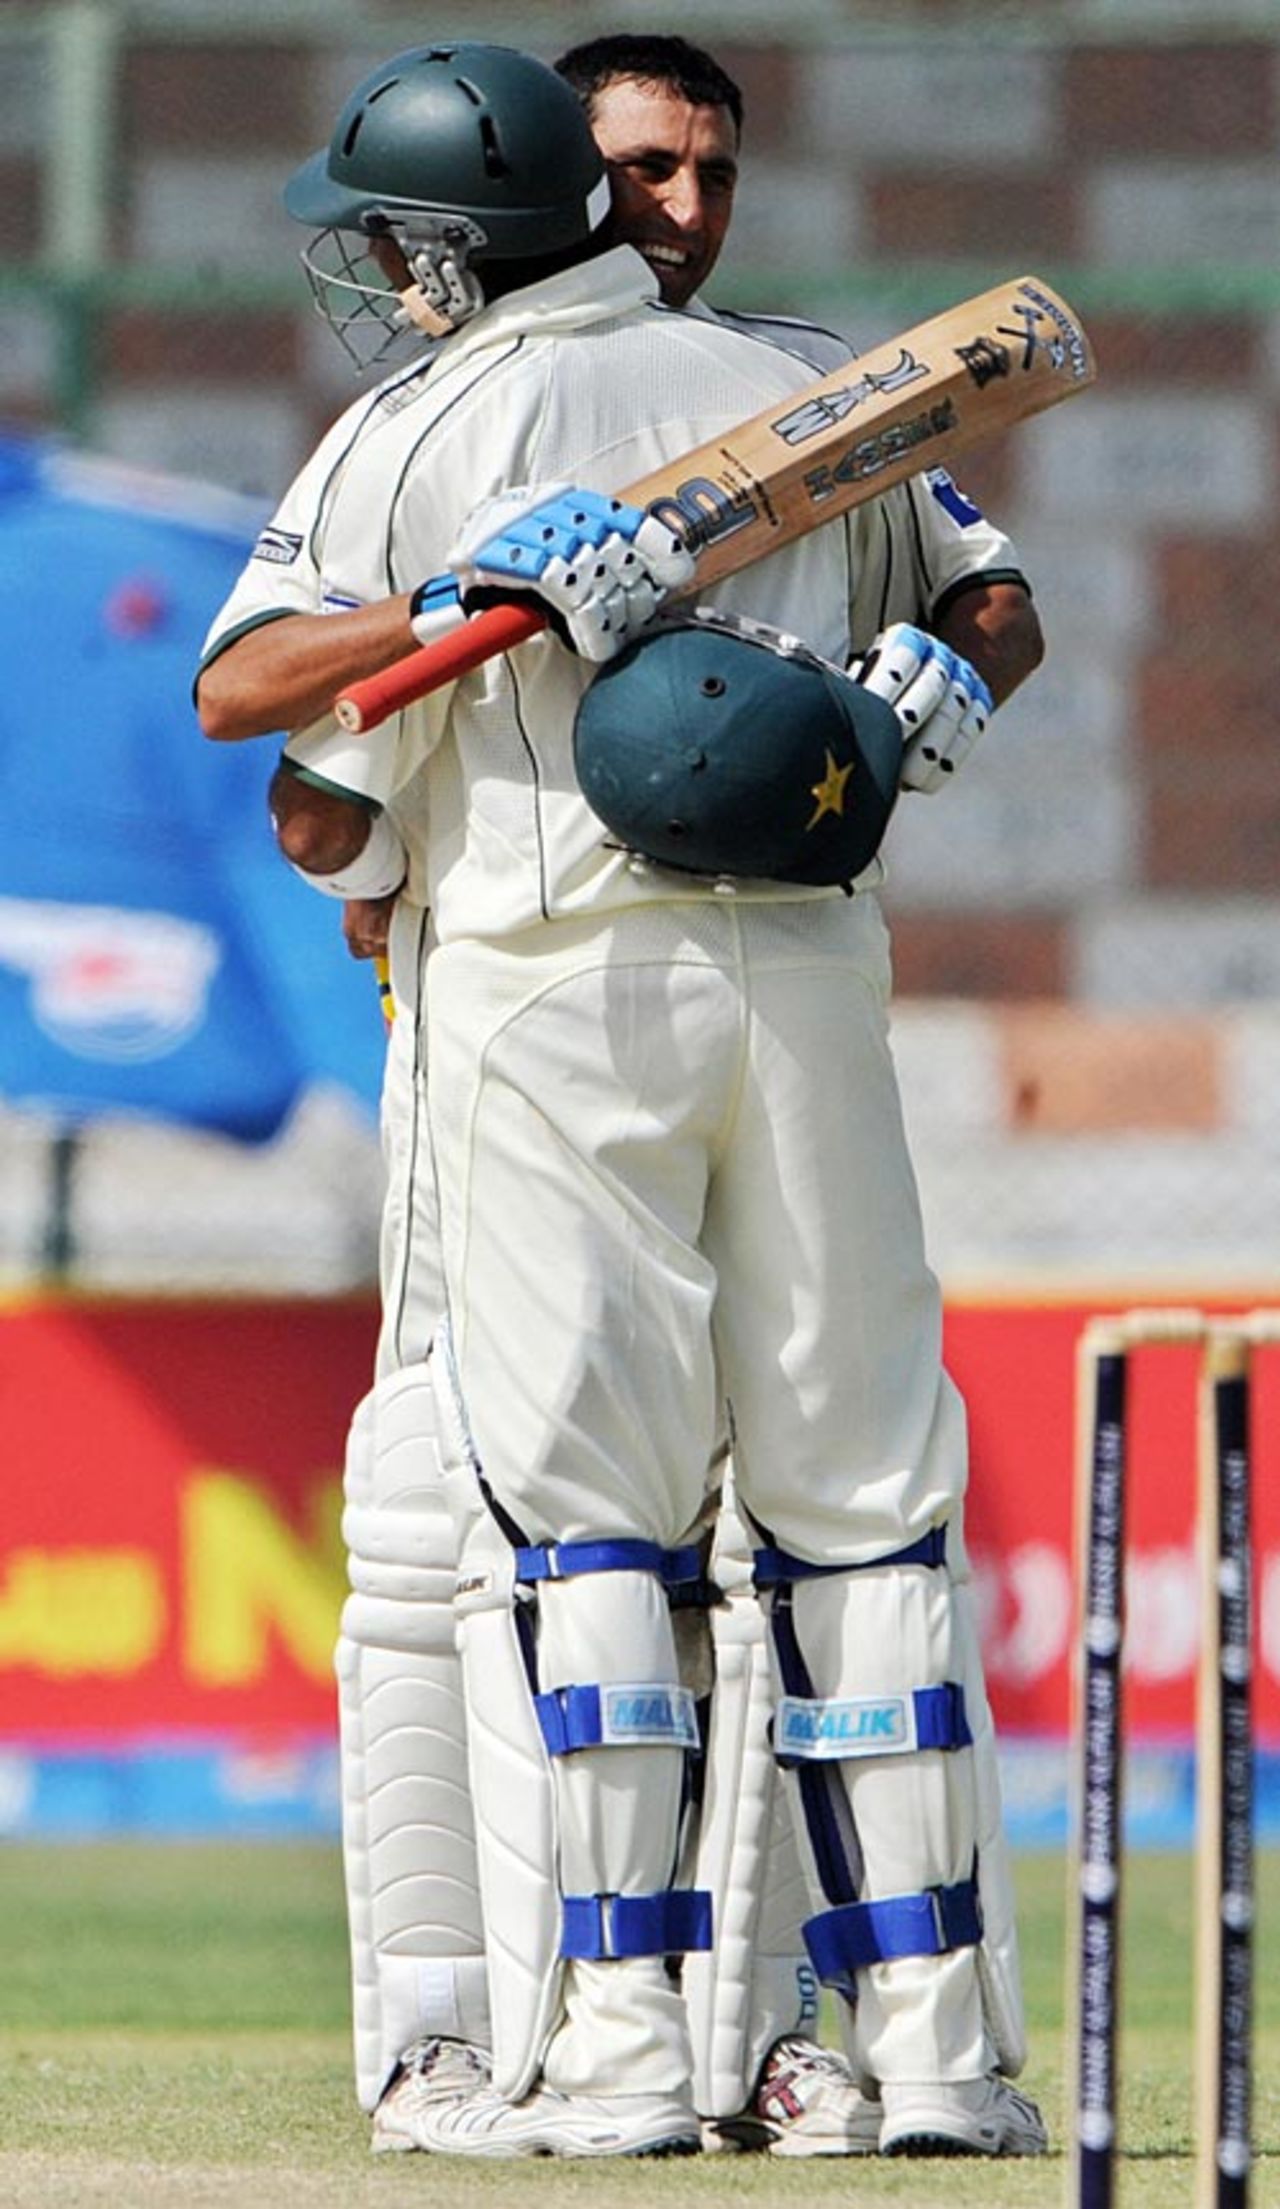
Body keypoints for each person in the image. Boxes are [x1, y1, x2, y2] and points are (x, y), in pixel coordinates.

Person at [196, 37, 1048, 2161]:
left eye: (399, 243)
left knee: (592, 1529)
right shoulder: (800, 387)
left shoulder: (432, 415)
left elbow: (267, 738)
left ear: (458, 246)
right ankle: (935, 2059)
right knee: (861, 1508)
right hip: (809, 981)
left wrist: (442, 643)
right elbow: (987, 589)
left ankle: (627, 2049)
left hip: (551, 985)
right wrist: (943, 675)